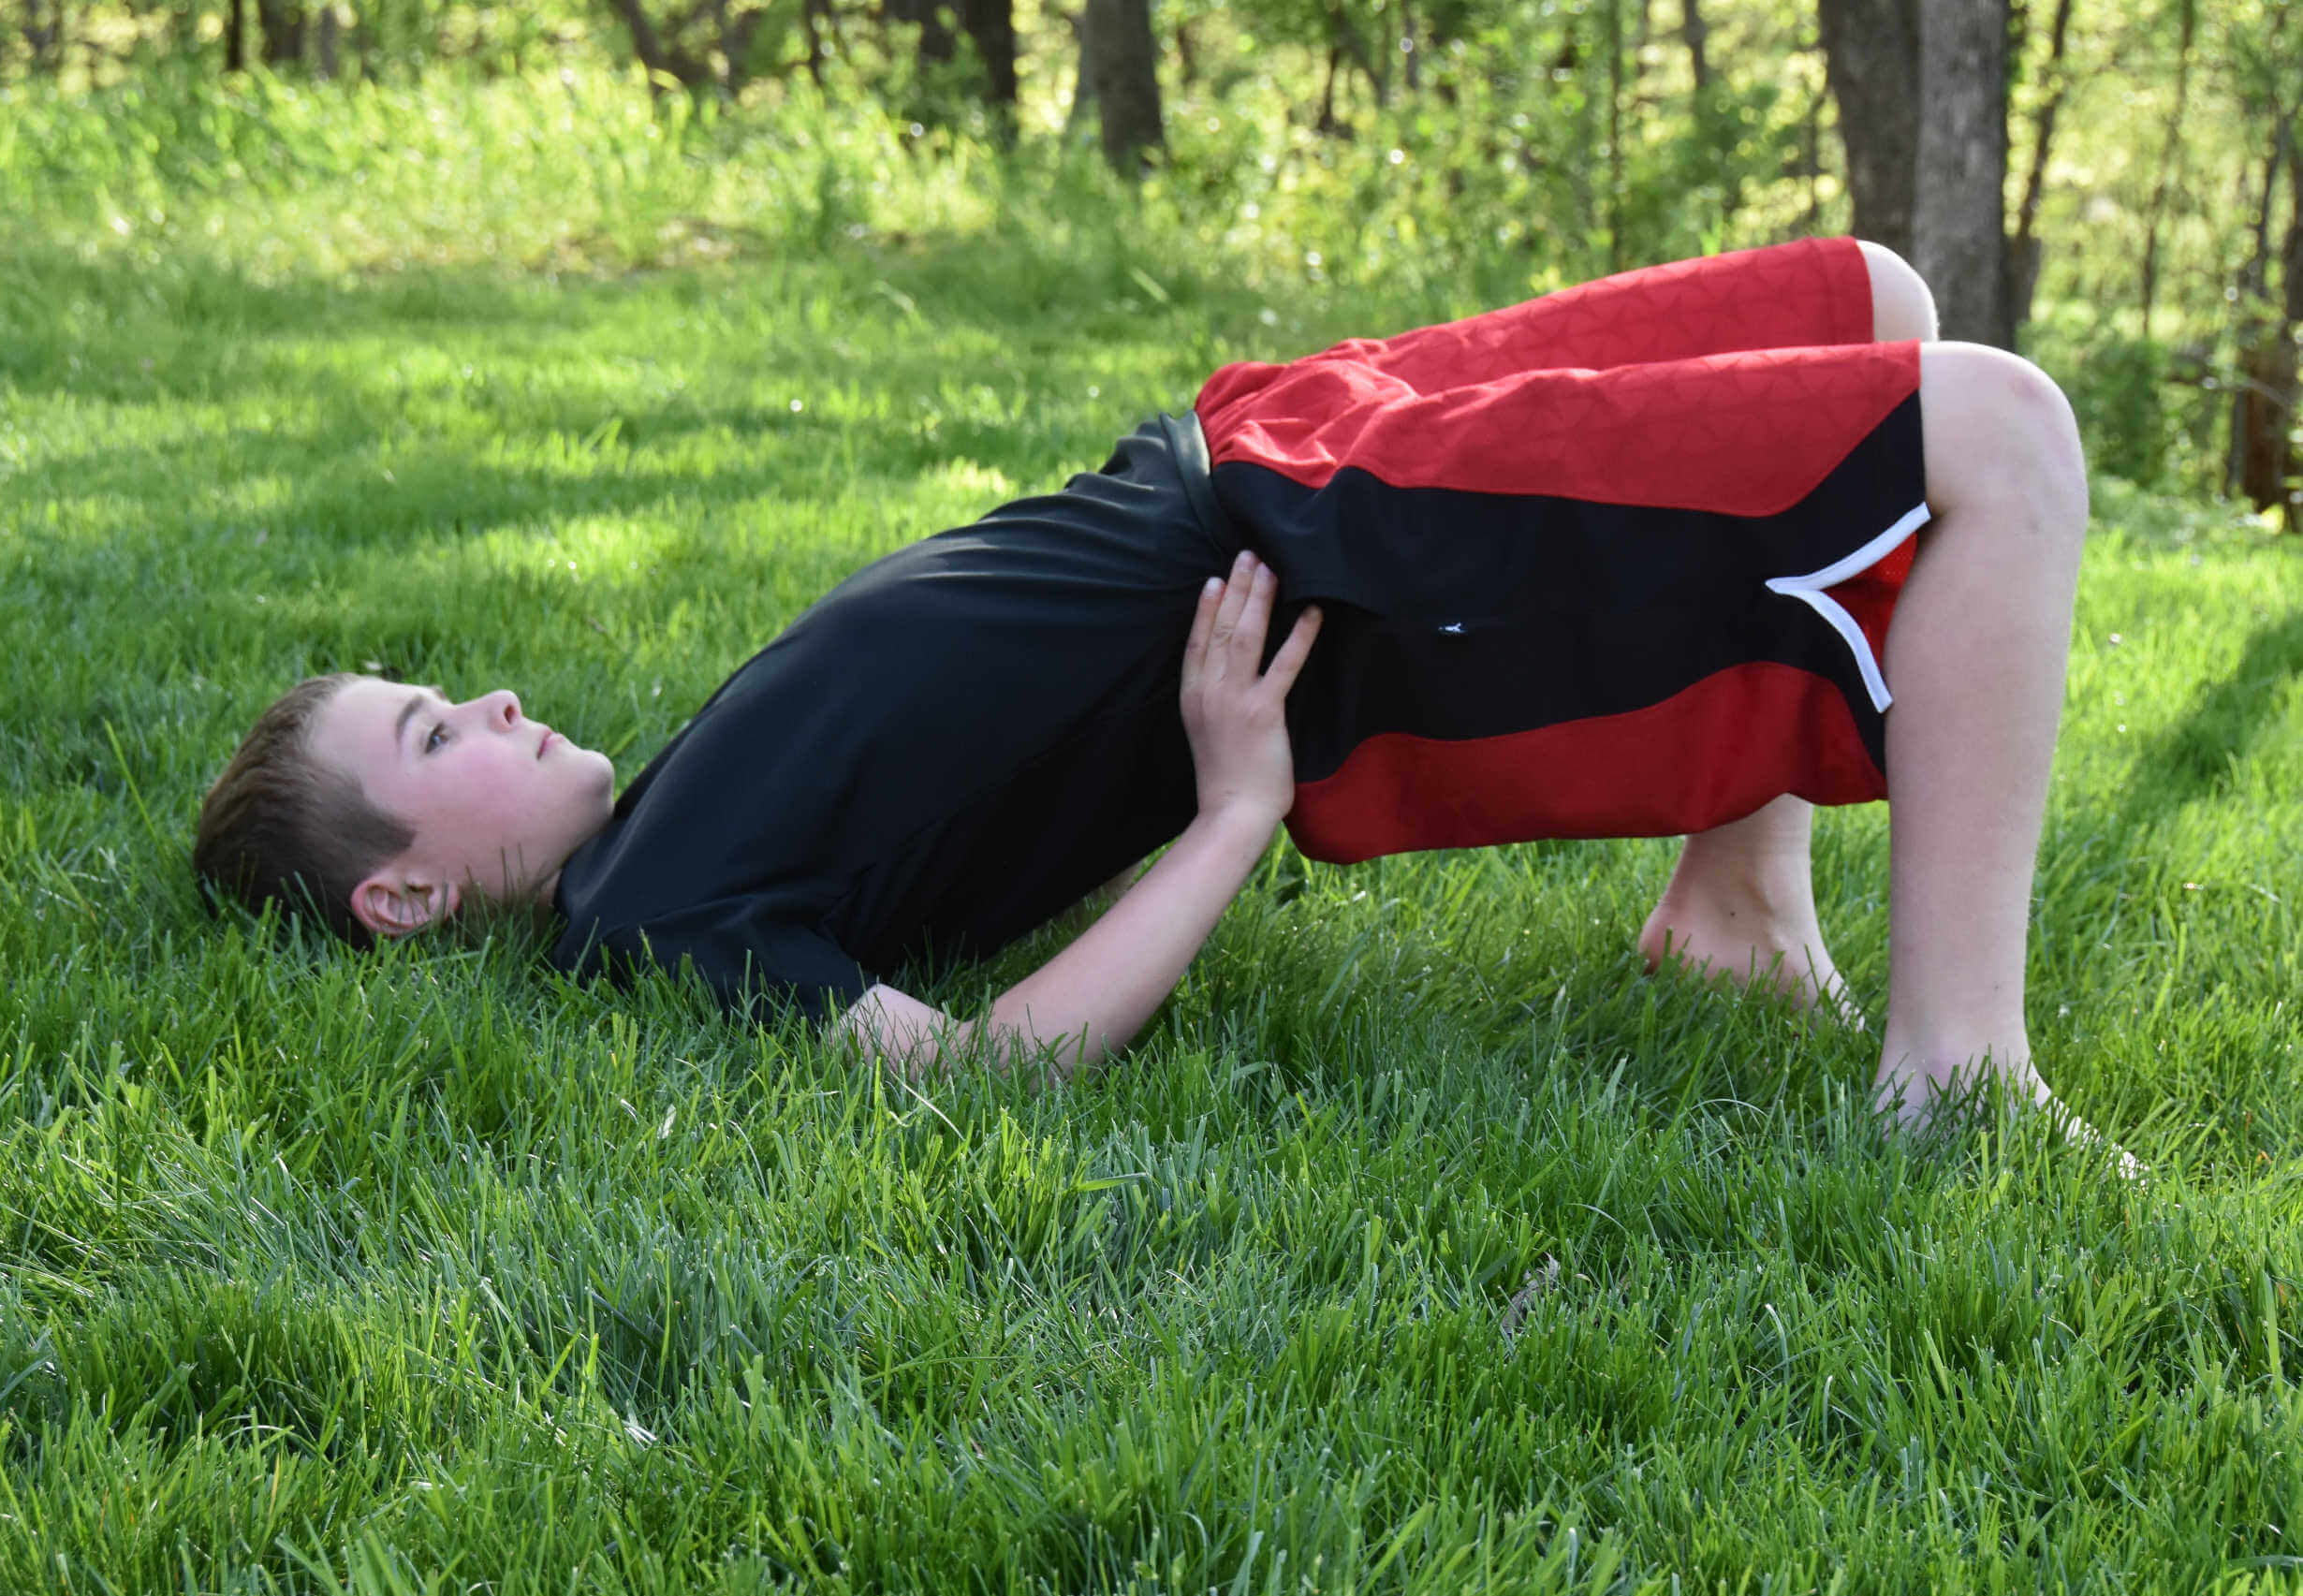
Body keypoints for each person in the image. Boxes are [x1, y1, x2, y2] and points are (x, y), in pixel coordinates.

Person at [193, 237, 2091, 1131]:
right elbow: (989, 1070)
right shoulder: (651, 923)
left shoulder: (650, 834)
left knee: (1871, 299)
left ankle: (1736, 907)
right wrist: (1236, 802)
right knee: (1992, 438)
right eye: (438, 736)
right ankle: (1955, 1067)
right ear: (406, 894)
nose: (499, 704)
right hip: (1323, 536)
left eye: (450, 689)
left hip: (1265, 437)